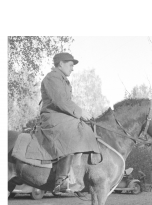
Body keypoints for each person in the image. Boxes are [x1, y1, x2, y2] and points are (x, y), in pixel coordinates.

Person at [26, 52, 101, 193]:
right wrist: (79, 112)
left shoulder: (62, 79)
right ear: (61, 64)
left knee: (83, 127)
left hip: (60, 116)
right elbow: (60, 101)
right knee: (73, 130)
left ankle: (76, 173)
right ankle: (62, 180)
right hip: (52, 118)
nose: (73, 68)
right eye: (71, 65)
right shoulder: (52, 78)